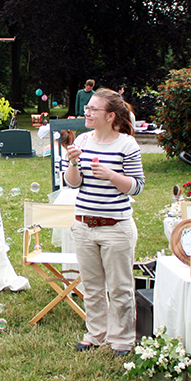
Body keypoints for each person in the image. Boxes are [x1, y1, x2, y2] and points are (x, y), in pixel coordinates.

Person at [64, 88, 145, 356]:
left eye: (93, 110)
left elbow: (136, 187)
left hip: (115, 227)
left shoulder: (127, 145)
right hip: (84, 225)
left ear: (110, 116)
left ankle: (122, 339)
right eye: (87, 108)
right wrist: (73, 163)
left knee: (120, 287)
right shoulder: (84, 141)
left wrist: (111, 175)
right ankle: (95, 334)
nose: (86, 112)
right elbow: (72, 183)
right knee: (92, 286)